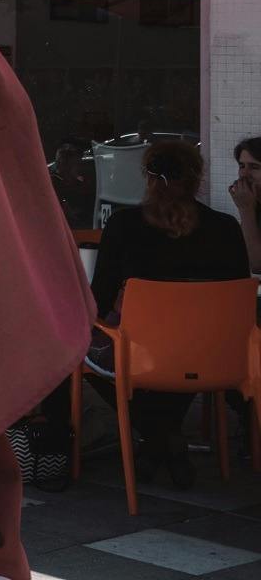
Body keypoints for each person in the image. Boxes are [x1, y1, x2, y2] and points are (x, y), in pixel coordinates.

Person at [89, 141, 248, 487]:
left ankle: (159, 437)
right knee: (184, 351)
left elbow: (98, 300)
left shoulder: (124, 226)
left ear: (147, 177)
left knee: (80, 351)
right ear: (197, 179)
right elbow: (238, 297)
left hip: (141, 353)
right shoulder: (225, 228)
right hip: (213, 354)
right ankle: (165, 437)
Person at [226, 136, 261, 273]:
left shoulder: (249, 205)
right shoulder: (255, 202)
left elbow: (257, 265)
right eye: (242, 166)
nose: (244, 174)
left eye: (254, 167)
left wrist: (245, 209)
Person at [49, 139, 96, 230]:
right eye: (76, 164)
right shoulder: (53, 185)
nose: (79, 168)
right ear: (64, 164)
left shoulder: (79, 183)